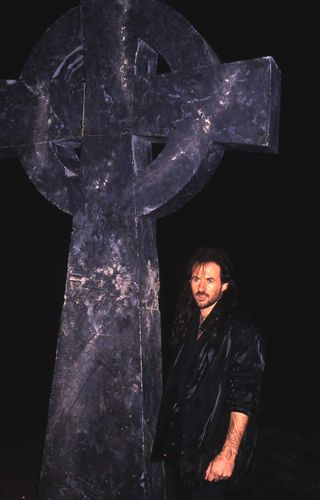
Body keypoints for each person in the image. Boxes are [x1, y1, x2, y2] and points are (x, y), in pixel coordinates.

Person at [152, 247, 265, 500]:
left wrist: (228, 454)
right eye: (196, 279)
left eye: (210, 280)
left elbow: (244, 398)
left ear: (224, 286)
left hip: (216, 458)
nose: (201, 287)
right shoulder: (189, 326)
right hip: (186, 455)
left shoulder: (241, 331)